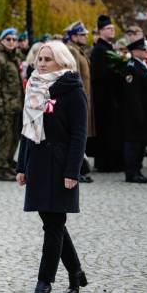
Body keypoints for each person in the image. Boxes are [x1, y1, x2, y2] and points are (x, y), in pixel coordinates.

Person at [16, 40, 88, 293]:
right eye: (40, 59)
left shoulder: (73, 90)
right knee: (52, 223)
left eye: (48, 59)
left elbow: (79, 135)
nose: (42, 63)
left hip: (60, 165)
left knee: (54, 225)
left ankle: (44, 283)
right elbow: (27, 128)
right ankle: (76, 271)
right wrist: (21, 166)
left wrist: (73, 171)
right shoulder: (34, 86)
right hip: (37, 162)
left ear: (62, 61)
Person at [0, 27, 24, 181]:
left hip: (16, 105)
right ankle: (0, 168)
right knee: (5, 138)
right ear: (2, 41)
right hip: (4, 107)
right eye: (8, 39)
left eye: (14, 39)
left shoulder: (15, 57)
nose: (11, 42)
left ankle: (8, 164)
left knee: (14, 137)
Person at [89, 14, 124, 172]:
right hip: (104, 97)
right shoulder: (99, 50)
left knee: (112, 130)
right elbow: (98, 76)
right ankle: (105, 162)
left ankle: (111, 161)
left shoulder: (108, 48)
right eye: (108, 28)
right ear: (101, 31)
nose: (112, 30)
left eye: (112, 28)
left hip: (111, 96)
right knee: (105, 130)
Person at [121, 39, 147, 183]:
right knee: (133, 143)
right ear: (134, 52)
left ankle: (138, 170)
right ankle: (132, 172)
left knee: (141, 143)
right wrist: (138, 115)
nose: (146, 51)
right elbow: (132, 95)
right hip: (135, 114)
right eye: (143, 49)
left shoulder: (142, 65)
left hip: (144, 112)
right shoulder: (131, 68)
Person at [64, 21, 95, 182]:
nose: (85, 37)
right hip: (78, 98)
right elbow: (74, 75)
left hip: (84, 97)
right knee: (77, 136)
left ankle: (80, 169)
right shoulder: (72, 51)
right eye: (82, 34)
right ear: (74, 36)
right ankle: (77, 170)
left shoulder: (78, 50)